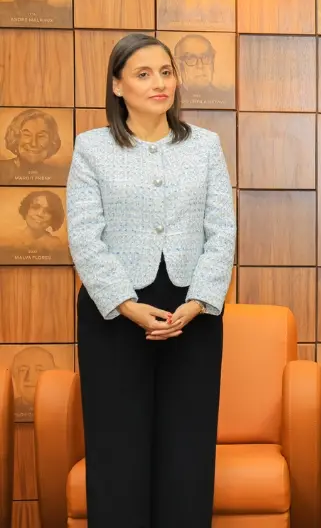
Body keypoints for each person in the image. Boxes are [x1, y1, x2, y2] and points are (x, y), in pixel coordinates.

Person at [64, 32, 236, 526]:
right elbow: (85, 236)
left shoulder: (205, 146)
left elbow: (222, 229)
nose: (159, 83)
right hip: (114, 316)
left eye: (166, 71)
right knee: (118, 449)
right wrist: (125, 303)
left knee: (188, 449)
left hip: (192, 314)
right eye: (143, 74)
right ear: (117, 86)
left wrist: (201, 300)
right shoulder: (92, 148)